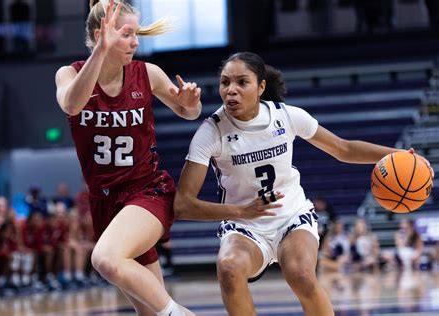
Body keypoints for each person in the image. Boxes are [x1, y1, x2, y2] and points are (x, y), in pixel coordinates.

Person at [174, 52, 434, 316]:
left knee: (301, 275)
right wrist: (242, 212)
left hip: (291, 216)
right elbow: (183, 205)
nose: (231, 90)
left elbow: (343, 148)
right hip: (244, 224)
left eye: (242, 82)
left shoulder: (285, 116)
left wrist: (397, 155)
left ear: (261, 87)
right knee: (228, 268)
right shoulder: (211, 131)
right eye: (225, 82)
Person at [54, 1, 201, 314]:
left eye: (136, 34)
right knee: (148, 311)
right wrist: (100, 52)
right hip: (105, 200)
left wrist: (190, 104)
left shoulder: (147, 73)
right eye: (126, 34)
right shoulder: (69, 74)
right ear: (100, 34)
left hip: (147, 191)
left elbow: (190, 113)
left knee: (104, 259)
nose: (135, 41)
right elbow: (72, 105)